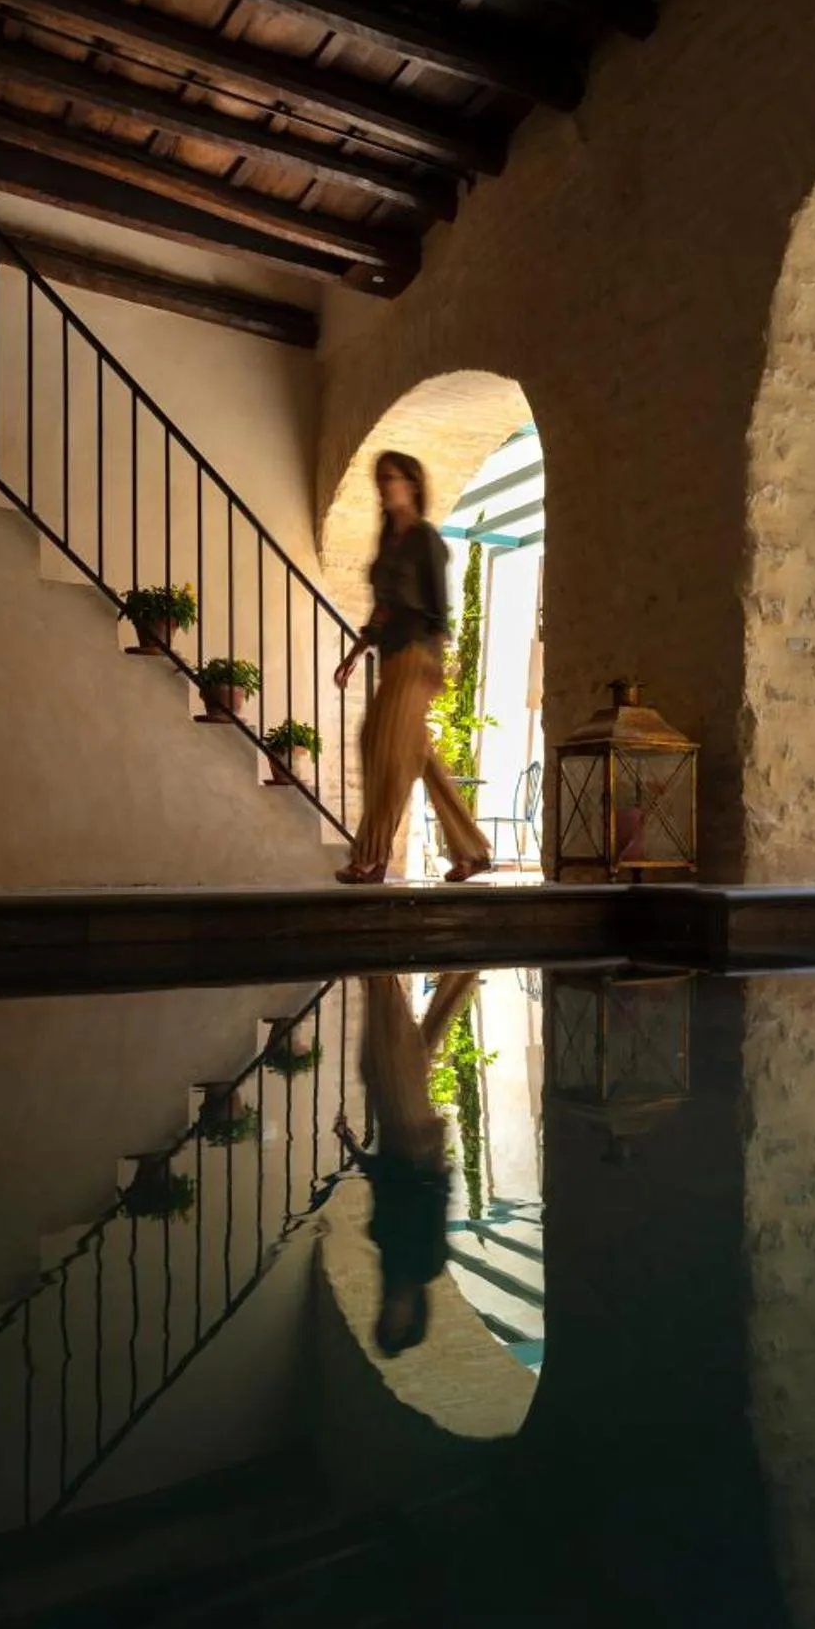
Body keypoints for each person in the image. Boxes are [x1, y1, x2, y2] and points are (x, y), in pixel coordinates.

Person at [331, 450, 491, 885]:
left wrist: (440, 662)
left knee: (383, 747)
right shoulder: (389, 542)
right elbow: (383, 609)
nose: (383, 485)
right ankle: (472, 851)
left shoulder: (425, 539)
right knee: (413, 753)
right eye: (379, 478)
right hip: (392, 657)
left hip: (419, 659)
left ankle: (371, 856)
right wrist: (354, 653)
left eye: (391, 477)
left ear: (412, 484)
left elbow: (439, 608)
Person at [333, 969, 478, 1356]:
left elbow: (385, 1190)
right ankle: (383, 974)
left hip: (399, 1144)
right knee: (389, 1061)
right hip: (413, 1146)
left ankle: (411, 977)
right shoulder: (425, 1265)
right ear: (414, 1316)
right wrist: (423, 1164)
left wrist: (355, 1150)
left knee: (389, 1063)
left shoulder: (391, 1266)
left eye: (386, 1321)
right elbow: (427, 1198)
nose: (392, 1312)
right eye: (398, 1322)